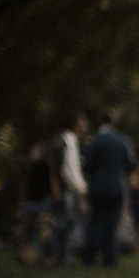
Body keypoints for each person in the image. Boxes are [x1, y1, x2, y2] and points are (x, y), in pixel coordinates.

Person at [80, 111, 134, 267]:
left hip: (98, 187)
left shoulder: (95, 141)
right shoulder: (122, 141)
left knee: (95, 222)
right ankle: (110, 258)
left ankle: (90, 257)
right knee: (112, 224)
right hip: (117, 187)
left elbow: (88, 165)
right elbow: (129, 164)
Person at [49, 113, 89, 265]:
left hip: (70, 188)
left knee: (68, 222)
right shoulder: (65, 141)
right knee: (64, 223)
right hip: (65, 188)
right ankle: (59, 255)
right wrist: (79, 186)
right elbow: (64, 168)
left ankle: (64, 255)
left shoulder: (71, 141)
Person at [19, 142, 55, 262]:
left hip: (43, 201)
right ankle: (27, 255)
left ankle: (44, 256)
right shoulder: (29, 166)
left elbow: (51, 182)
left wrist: (53, 197)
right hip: (30, 201)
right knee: (28, 230)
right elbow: (25, 184)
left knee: (43, 230)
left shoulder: (46, 166)